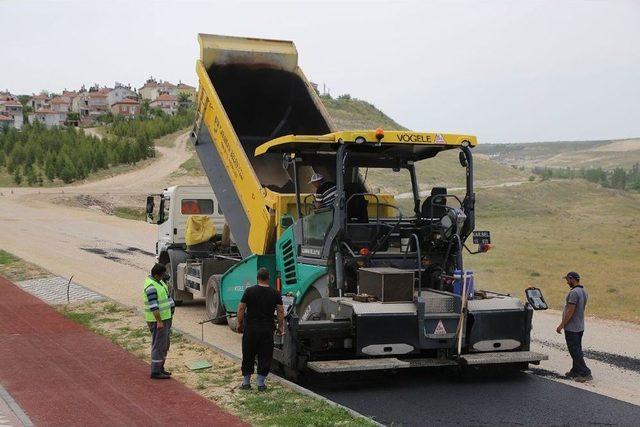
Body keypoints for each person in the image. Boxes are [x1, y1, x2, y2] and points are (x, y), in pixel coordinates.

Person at [237, 268, 284, 391]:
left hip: (251, 329)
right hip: (267, 330)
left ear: (257, 278)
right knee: (265, 355)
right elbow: (280, 311)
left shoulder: (249, 291)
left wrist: (239, 323)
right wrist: (281, 327)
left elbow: (241, 308)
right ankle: (261, 384)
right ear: (268, 278)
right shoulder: (275, 293)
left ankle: (246, 383)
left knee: (248, 354)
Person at [556, 271, 592, 382]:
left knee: (574, 350)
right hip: (580, 326)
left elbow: (570, 310)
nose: (567, 282)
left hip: (572, 327)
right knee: (577, 348)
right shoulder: (583, 291)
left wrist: (561, 325)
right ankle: (575, 370)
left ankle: (585, 372)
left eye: (567, 280)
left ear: (572, 279)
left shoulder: (574, 293)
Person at [143, 263, 175, 379]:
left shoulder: (159, 282)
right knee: (158, 345)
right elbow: (154, 306)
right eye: (163, 274)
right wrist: (159, 321)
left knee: (165, 344)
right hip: (158, 321)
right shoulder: (151, 287)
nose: (165, 275)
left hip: (165, 319)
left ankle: (160, 367)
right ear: (157, 275)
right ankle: (155, 371)